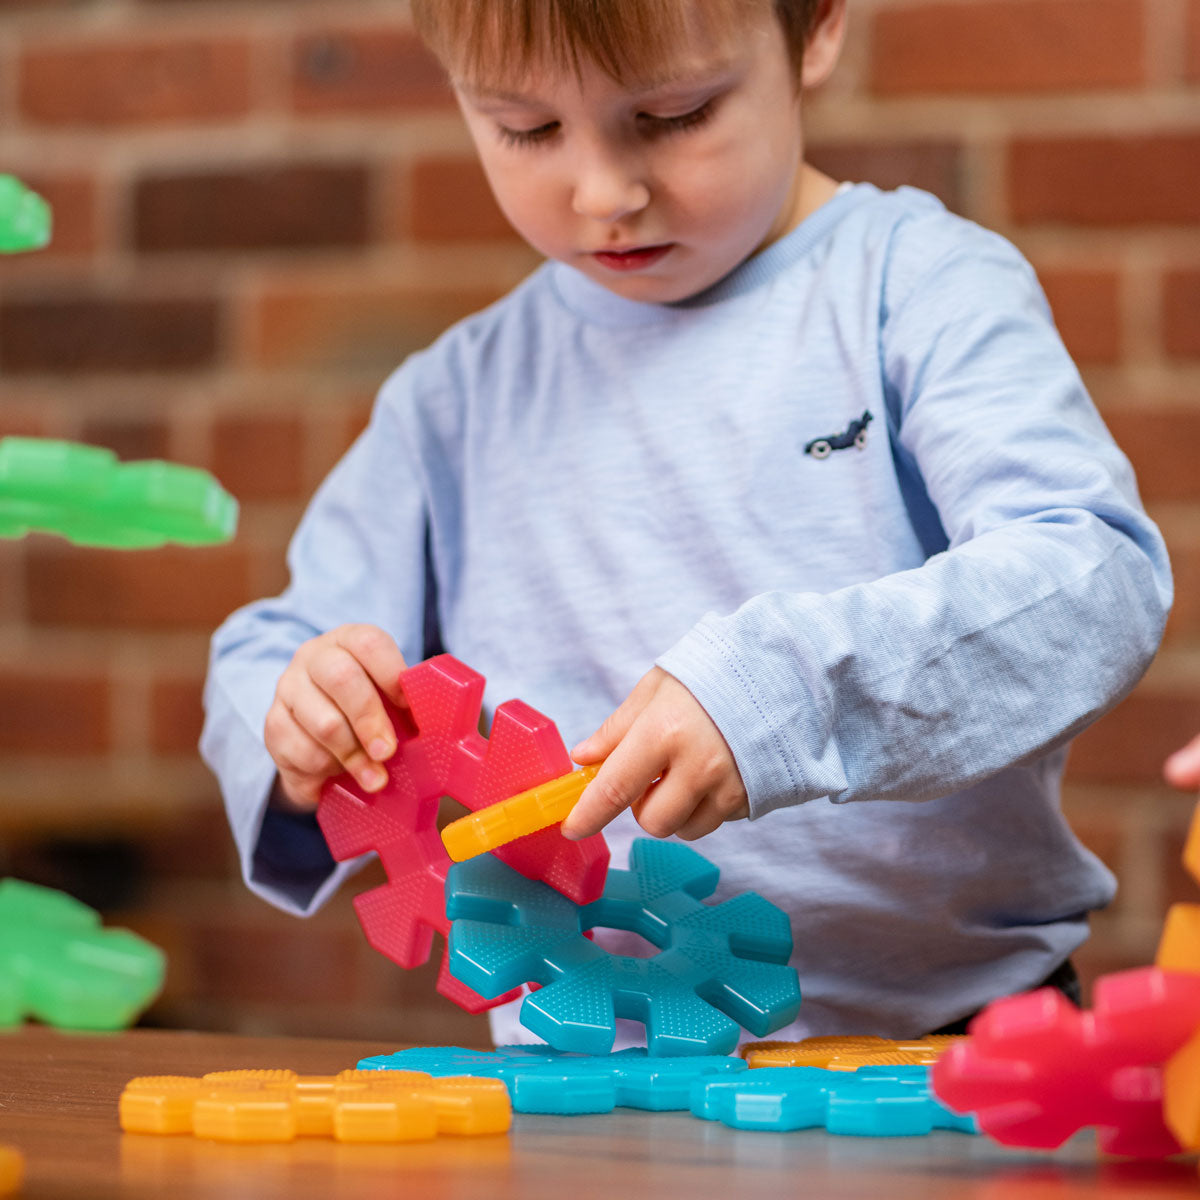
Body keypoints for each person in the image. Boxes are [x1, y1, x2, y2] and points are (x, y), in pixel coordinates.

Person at [201, 0, 1173, 1043]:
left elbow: (1092, 574)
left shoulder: (917, 287)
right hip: (586, 1074)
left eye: (673, 114)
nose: (605, 192)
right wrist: (305, 713)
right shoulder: (455, 397)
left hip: (949, 1045)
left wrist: (783, 693)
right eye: (525, 129)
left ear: (816, 31)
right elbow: (277, 649)